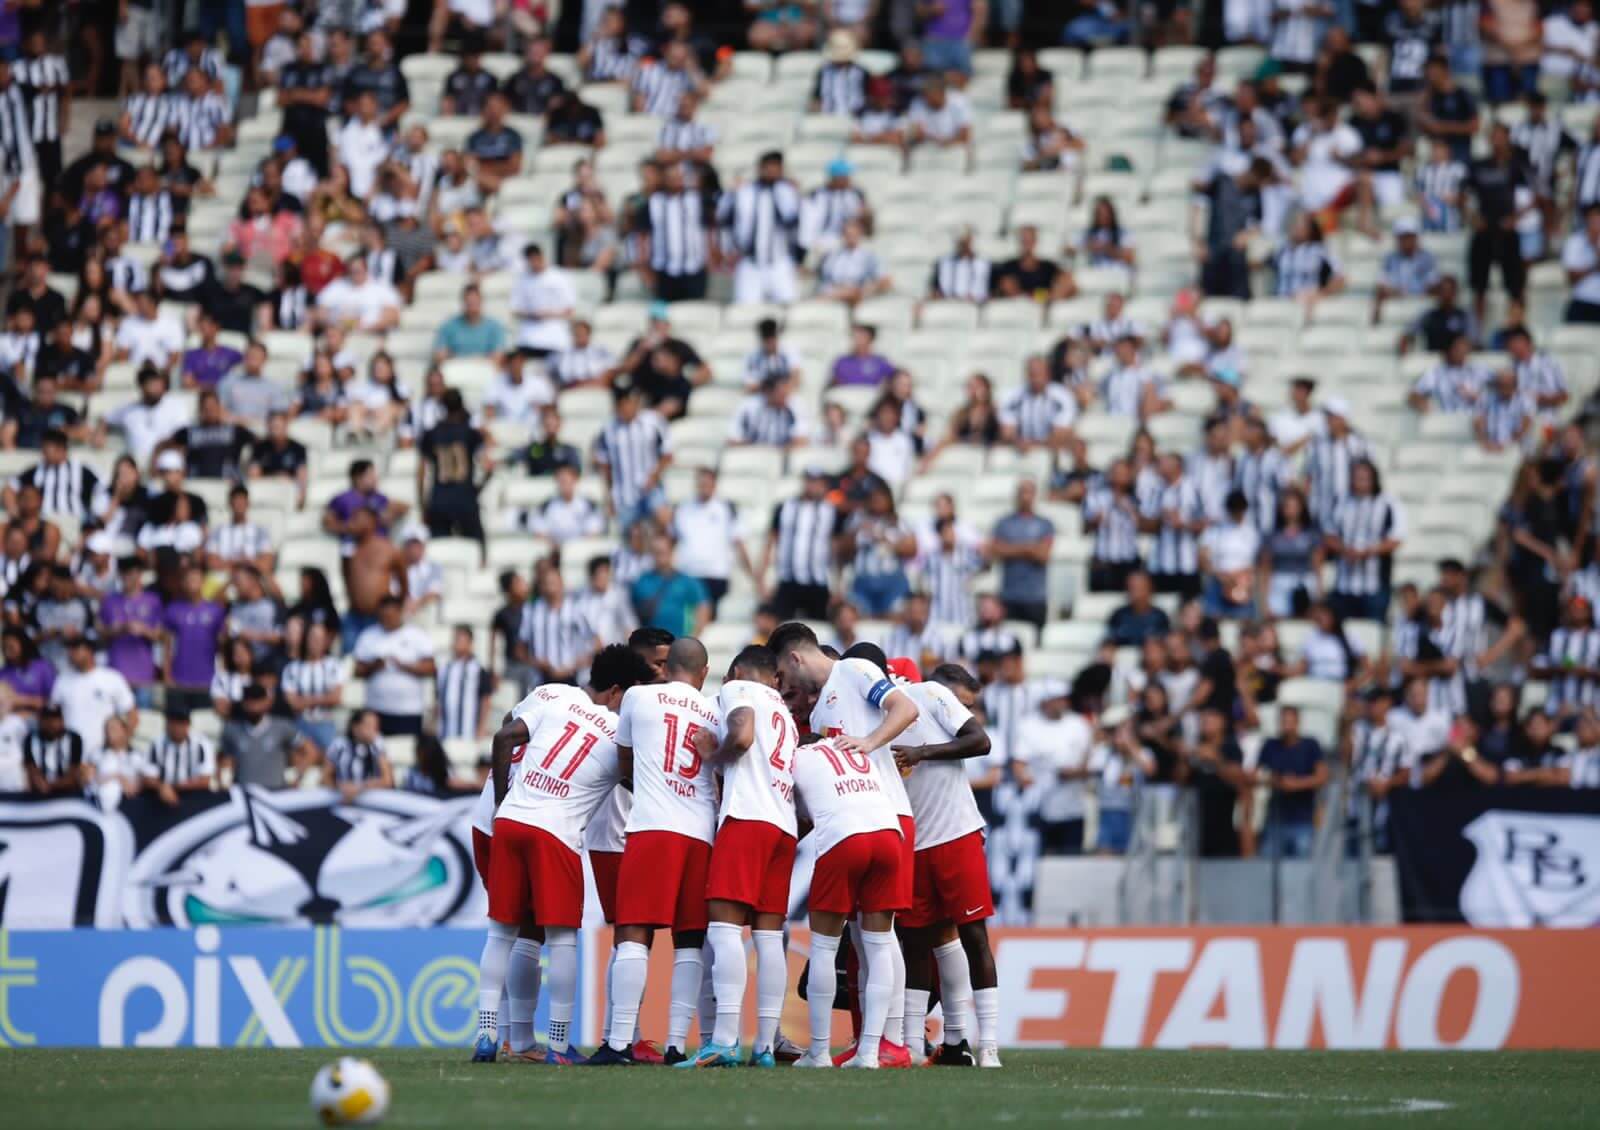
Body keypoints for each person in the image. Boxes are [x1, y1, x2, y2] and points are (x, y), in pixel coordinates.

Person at [472, 643, 656, 1065]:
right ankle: (557, 1045)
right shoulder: (619, 735)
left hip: (510, 821)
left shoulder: (556, 698)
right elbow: (639, 783)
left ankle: (486, 1034)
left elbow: (504, 734)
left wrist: (502, 802)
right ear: (617, 692)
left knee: (501, 933)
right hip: (555, 833)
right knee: (562, 941)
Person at [766, 621, 922, 1066]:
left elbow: (905, 708)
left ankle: (891, 1039)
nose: (787, 686)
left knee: (878, 936)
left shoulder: (853, 670)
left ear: (794, 657)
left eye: (784, 675)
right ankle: (873, 1043)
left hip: (889, 810)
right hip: (865, 819)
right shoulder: (818, 714)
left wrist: (869, 742)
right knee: (866, 940)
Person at [592, 638, 721, 1066]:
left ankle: (618, 1044)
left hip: (652, 825)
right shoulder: (714, 711)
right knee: (689, 941)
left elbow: (624, 760)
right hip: (700, 831)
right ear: (704, 673)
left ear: (666, 668)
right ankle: (675, 1045)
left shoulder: (638, 697)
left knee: (633, 933)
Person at [680, 644, 799, 1068]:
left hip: (747, 817)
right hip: (784, 825)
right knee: (768, 937)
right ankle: (764, 1046)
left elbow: (743, 736)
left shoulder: (738, 690)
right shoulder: (785, 713)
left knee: (723, 928)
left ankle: (725, 1040)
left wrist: (712, 757)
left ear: (735, 672)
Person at [890, 662, 1002, 1068]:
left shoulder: (935, 698)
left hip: (957, 834)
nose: (964, 712)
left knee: (973, 936)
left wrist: (922, 752)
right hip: (915, 842)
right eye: (964, 703)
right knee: (917, 942)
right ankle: (916, 1043)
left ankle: (988, 1044)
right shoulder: (894, 707)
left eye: (968, 706)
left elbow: (981, 742)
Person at [352, 595, 436, 737]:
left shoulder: (417, 635)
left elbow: (430, 668)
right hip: (376, 710)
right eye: (384, 616)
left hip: (408, 711)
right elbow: (357, 671)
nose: (387, 620)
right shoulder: (368, 636)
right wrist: (375, 665)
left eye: (391, 616)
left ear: (400, 612)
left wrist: (403, 665)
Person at [1255, 705, 1327, 858]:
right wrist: (1278, 782)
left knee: (1302, 865)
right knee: (1267, 864)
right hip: (1275, 819)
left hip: (1303, 821)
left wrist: (1296, 784)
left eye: (1290, 721)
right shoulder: (1270, 745)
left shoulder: (1310, 745)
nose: (1286, 725)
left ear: (1297, 722)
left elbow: (1322, 777)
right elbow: (1258, 775)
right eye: (1283, 721)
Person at [220, 683, 316, 788]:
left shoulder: (282, 727)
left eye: (257, 700)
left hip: (275, 792)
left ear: (267, 702)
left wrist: (297, 778)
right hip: (245, 792)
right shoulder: (232, 730)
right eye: (250, 700)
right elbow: (225, 759)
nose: (254, 705)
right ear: (244, 703)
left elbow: (310, 751)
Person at [630, 533, 710, 640]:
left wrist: (692, 639)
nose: (659, 556)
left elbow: (703, 607)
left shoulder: (686, 582)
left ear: (671, 551)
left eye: (662, 551)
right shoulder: (641, 581)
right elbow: (630, 614)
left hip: (678, 643)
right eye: (656, 552)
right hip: (650, 644)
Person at [140, 705, 217, 804]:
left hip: (194, 795)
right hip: (163, 797)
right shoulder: (156, 744)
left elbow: (205, 780)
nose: (176, 728)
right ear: (166, 724)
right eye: (173, 723)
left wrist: (176, 787)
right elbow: (148, 777)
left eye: (180, 723)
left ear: (188, 725)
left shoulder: (201, 744)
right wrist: (161, 787)